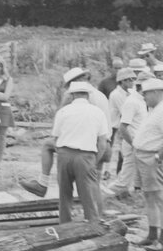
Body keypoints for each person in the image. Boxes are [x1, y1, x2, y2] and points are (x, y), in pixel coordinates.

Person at [19, 67, 107, 197]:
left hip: (88, 146)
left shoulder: (83, 98)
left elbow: (61, 121)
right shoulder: (99, 95)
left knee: (48, 146)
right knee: (92, 187)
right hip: (102, 142)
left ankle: (43, 184)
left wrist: (64, 103)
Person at [132, 78, 163, 251]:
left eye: (145, 94)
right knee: (149, 197)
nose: (144, 97)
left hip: (153, 159)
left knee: (161, 198)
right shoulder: (155, 110)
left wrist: (158, 157)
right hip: (144, 157)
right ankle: (152, 235)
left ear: (155, 92)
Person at [52, 81, 111, 223]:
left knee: (64, 195)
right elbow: (102, 142)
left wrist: (61, 153)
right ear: (88, 95)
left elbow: (55, 138)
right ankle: (92, 225)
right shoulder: (97, 112)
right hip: (86, 155)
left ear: (72, 95)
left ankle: (64, 225)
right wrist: (94, 160)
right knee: (88, 196)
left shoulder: (63, 112)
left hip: (64, 154)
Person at [109, 72, 152, 197]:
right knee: (124, 180)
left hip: (141, 143)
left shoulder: (141, 101)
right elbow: (123, 127)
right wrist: (133, 144)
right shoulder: (132, 102)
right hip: (133, 143)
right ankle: (101, 195)